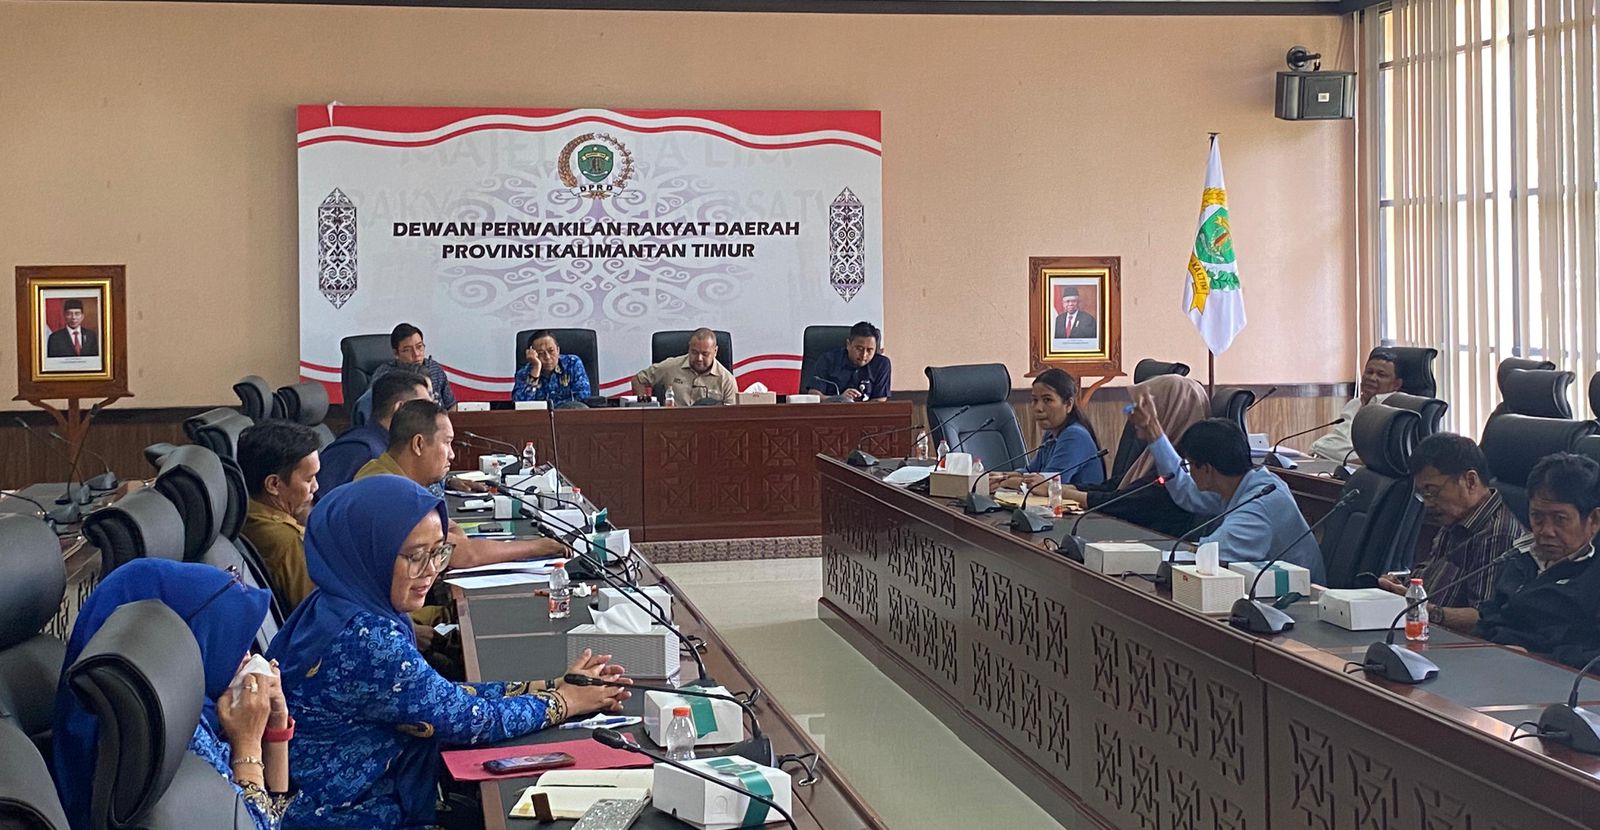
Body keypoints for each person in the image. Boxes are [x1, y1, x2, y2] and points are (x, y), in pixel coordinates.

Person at [268, 476, 629, 828]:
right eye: (415, 556)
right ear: (367, 552)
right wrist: (566, 702)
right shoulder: (368, 640)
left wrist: (550, 685)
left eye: (438, 553)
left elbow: (440, 696)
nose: (431, 571)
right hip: (353, 815)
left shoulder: (339, 604)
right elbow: (470, 719)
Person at [53, 560, 291, 830]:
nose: (247, 657)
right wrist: (248, 745)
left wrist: (275, 730)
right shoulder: (173, 740)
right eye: (234, 643)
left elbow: (273, 815)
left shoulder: (197, 717)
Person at [1131, 398, 1326, 583]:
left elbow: (1211, 554)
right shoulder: (1240, 483)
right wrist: (1155, 435)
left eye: (1189, 465)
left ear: (1206, 469)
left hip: (1298, 597)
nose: (1189, 472)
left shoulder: (1260, 504)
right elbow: (1187, 492)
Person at [356, 399, 566, 569]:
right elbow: (465, 555)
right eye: (447, 443)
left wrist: (457, 541)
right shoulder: (394, 492)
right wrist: (538, 547)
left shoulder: (379, 470)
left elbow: (451, 530)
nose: (452, 455)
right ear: (419, 444)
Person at [1377, 433, 1524, 630]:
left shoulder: (1497, 533)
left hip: (1452, 642)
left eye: (1432, 491)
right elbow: (1432, 576)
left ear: (1470, 481)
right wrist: (1401, 585)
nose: (1427, 503)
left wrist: (1422, 608)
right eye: (1422, 494)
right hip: (1426, 631)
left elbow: (1484, 618)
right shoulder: (1456, 518)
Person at [1474, 453, 1600, 668]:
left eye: (1560, 519)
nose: (1546, 531)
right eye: (1537, 517)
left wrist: (1537, 659)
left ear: (1594, 520)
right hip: (1496, 664)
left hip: (1562, 677)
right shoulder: (1523, 554)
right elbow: (1491, 616)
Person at [1060, 374, 1208, 537]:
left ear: (1170, 412)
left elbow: (1123, 502)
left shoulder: (1185, 467)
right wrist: (1064, 488)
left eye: (1147, 408)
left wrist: (1061, 492)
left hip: (1153, 544)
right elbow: (1116, 485)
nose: (1133, 415)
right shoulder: (1151, 455)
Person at [239, 420, 323, 611]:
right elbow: (316, 610)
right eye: (308, 479)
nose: (315, 487)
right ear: (274, 484)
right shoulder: (287, 541)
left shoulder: (244, 512)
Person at [317, 370, 432, 497]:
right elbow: (316, 503)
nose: (432, 415)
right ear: (399, 409)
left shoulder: (392, 446)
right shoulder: (360, 450)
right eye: (424, 407)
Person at [990, 368, 1104, 491]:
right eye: (1035, 400)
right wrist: (1001, 476)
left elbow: (1047, 483)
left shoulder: (1075, 435)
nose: (1038, 408)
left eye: (1047, 400)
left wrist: (1007, 482)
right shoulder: (1051, 434)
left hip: (1078, 503)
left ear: (1068, 404)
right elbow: (1030, 471)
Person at [1310, 347, 1407, 462]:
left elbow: (1374, 457)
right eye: (1369, 372)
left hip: (1349, 466)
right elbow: (1338, 438)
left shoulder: (1395, 409)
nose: (1372, 378)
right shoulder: (1354, 403)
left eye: (1381, 375)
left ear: (1396, 384)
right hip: (1320, 458)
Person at [631, 328, 738, 404]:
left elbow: (732, 417)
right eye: (694, 352)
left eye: (705, 354)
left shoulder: (726, 380)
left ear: (715, 351)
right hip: (672, 426)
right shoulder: (670, 367)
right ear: (689, 348)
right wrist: (644, 407)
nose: (699, 358)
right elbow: (638, 380)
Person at [371, 322, 457, 410]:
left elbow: (451, 406)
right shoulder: (385, 375)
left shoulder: (434, 369)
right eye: (407, 350)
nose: (416, 354)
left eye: (419, 347)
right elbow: (372, 410)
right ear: (396, 353)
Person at [805, 321, 892, 400]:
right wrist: (839, 399)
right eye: (859, 349)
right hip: (831, 411)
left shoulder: (881, 364)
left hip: (866, 412)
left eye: (870, 350)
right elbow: (814, 396)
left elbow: (879, 400)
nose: (864, 355)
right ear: (848, 344)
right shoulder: (828, 360)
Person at [512, 330, 592, 405]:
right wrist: (536, 368)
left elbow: (583, 397)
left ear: (558, 350)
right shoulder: (524, 373)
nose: (547, 357)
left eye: (551, 351)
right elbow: (520, 404)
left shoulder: (572, 364)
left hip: (570, 413)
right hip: (539, 415)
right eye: (540, 353)